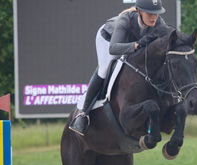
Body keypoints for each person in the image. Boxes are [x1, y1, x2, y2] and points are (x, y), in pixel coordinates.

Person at [69, 0, 169, 136]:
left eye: (156, 13)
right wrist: (136, 45)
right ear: (139, 11)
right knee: (104, 69)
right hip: (108, 39)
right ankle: (83, 114)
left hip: (130, 42)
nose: (154, 17)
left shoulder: (158, 23)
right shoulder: (125, 20)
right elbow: (113, 49)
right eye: (150, 13)